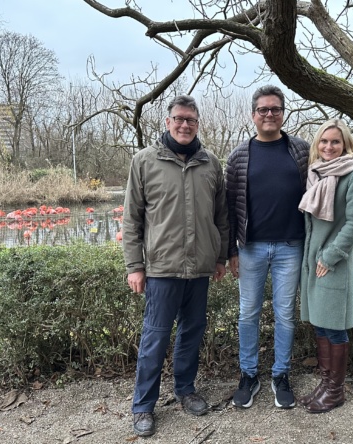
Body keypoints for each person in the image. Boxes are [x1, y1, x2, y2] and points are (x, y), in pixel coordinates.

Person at [122, 95, 230, 437]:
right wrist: (134, 266)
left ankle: (185, 389)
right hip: (161, 269)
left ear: (198, 124)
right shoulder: (144, 161)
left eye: (191, 120)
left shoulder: (211, 163)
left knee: (191, 333)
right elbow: (131, 219)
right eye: (179, 119)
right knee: (155, 337)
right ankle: (143, 406)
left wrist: (220, 256)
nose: (185, 125)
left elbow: (221, 217)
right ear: (167, 122)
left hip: (199, 269)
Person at [225, 85, 309, 409]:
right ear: (253, 115)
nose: (269, 114)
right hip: (251, 248)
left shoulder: (300, 151)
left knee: (285, 314)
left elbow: (316, 193)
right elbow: (230, 207)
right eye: (263, 110)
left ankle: (281, 375)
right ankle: (248, 375)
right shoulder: (239, 156)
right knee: (248, 313)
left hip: (291, 246)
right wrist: (231, 251)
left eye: (275, 109)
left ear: (283, 114)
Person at [297, 119, 353, 413]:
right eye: (324, 141)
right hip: (312, 262)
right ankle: (325, 385)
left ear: (346, 145)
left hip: (333, 262)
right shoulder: (315, 174)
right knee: (321, 323)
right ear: (318, 144)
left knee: (335, 326)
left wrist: (330, 256)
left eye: (336, 142)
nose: (329, 147)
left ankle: (335, 390)